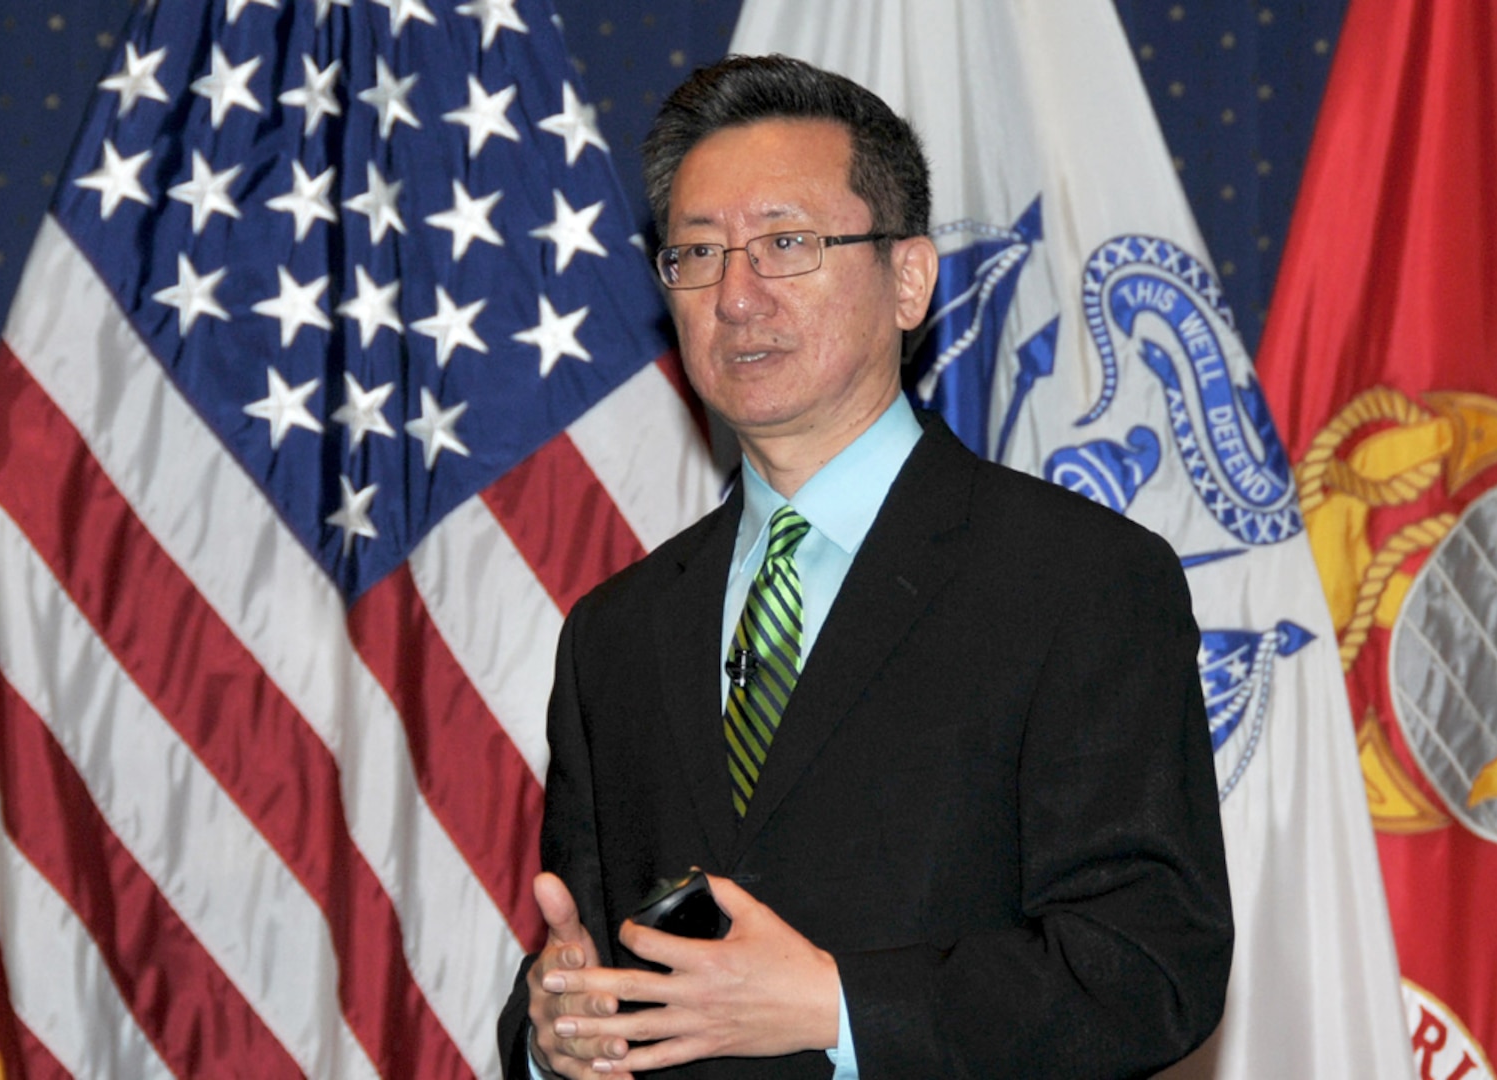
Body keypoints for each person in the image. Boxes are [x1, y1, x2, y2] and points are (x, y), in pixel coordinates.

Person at [498, 54, 1233, 1079]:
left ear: (908, 279)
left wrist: (834, 1006)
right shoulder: (615, 631)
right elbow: (596, 960)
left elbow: (1148, 968)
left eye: (786, 244)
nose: (736, 296)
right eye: (697, 253)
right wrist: (552, 1034)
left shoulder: (1078, 579)